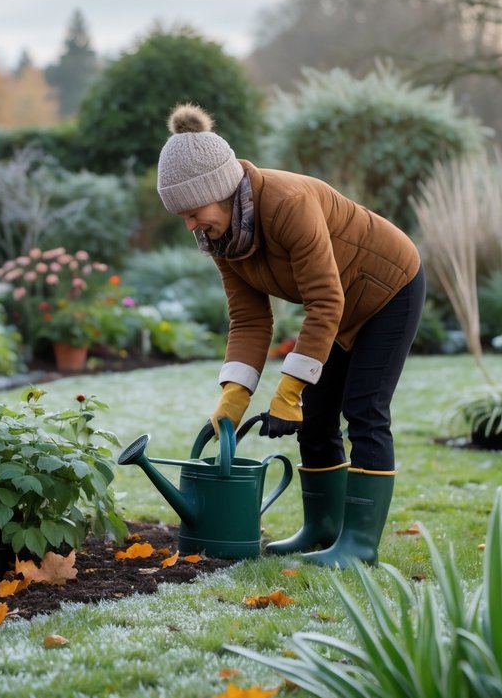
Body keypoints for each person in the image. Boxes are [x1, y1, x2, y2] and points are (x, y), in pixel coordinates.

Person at [156, 103, 424, 568]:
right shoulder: (223, 237)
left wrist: (289, 389)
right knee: (317, 417)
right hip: (339, 300)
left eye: (194, 211)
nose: (190, 226)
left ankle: (359, 545)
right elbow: (250, 320)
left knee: (364, 410)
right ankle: (323, 528)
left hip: (388, 290)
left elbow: (325, 302)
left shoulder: (287, 203)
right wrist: (233, 398)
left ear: (219, 191)